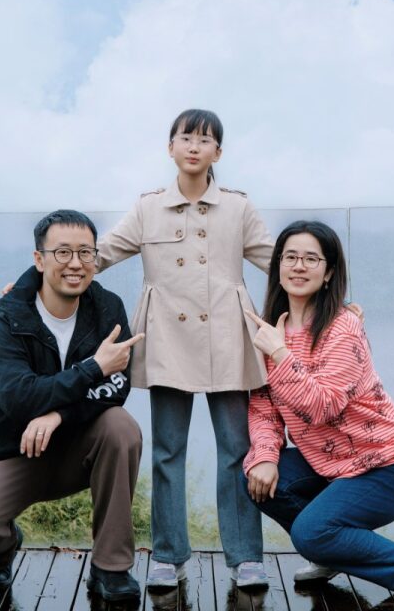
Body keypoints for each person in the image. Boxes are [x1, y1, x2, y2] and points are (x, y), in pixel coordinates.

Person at [97, 109, 272, 588]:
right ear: (170, 146)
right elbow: (100, 254)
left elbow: (276, 259)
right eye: (186, 137)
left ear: (219, 152)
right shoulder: (147, 206)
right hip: (168, 341)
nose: (194, 146)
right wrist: (34, 278)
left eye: (206, 140)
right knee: (167, 451)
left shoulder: (238, 207)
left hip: (229, 340)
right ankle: (169, 556)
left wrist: (338, 297)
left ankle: (245, 558)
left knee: (236, 450)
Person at [0, 210, 145, 603]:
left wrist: (60, 414)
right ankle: (0, 550)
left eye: (86, 252)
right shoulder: (9, 317)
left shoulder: (107, 309)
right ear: (40, 259)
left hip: (76, 447)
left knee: (121, 427)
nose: (75, 263)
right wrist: (91, 369)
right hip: (10, 450)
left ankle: (111, 567)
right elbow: (19, 398)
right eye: (63, 252)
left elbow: (117, 384)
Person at [241, 220, 394, 595]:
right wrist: (267, 455)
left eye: (311, 259)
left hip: (389, 467)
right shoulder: (271, 329)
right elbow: (262, 406)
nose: (299, 266)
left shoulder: (342, 327)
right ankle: (329, 555)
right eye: (290, 257)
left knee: (311, 532)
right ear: (277, 267)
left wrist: (280, 353)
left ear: (329, 272)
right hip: (332, 465)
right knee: (256, 476)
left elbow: (324, 405)